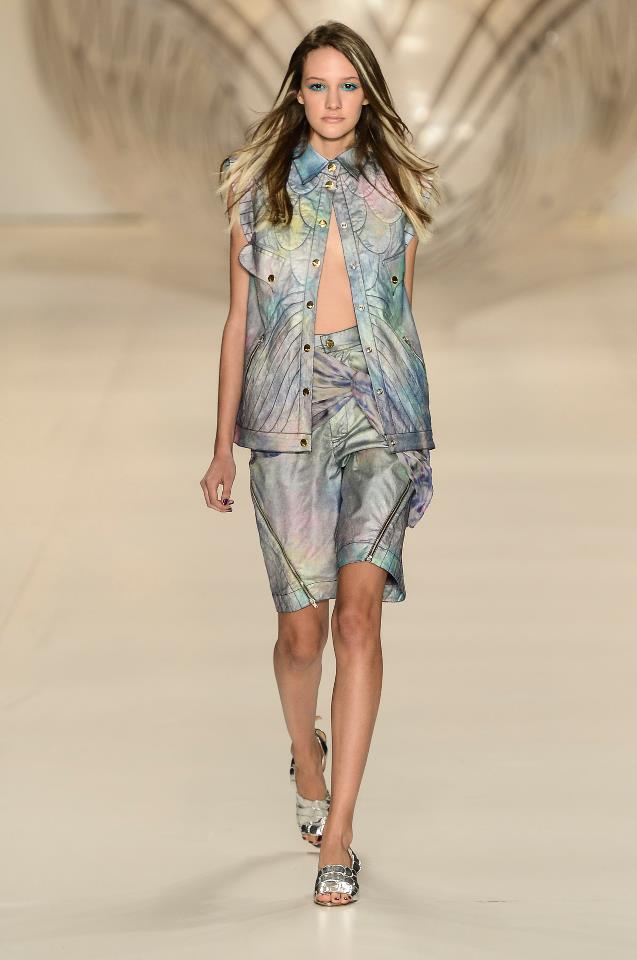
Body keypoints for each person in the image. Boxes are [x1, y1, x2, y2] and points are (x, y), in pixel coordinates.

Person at [200, 20, 440, 906]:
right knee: (301, 634)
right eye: (316, 85)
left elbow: (401, 315)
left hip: (379, 413)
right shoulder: (252, 183)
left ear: (366, 94)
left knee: (358, 621)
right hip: (284, 417)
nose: (332, 101)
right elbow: (239, 321)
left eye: (347, 85)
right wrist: (220, 446)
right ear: (295, 93)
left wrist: (414, 428)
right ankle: (306, 754)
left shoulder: (399, 185)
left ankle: (338, 832)